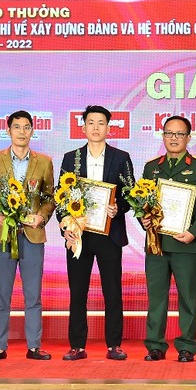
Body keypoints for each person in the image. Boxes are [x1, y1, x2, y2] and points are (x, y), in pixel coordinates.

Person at [0, 110, 55, 361]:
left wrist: (41, 216)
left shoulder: (44, 162)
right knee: (2, 293)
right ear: (8, 130)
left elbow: (50, 198)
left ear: (32, 131)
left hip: (33, 235)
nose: (22, 132)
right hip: (3, 235)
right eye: (17, 127)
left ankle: (34, 346)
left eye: (26, 127)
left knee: (33, 294)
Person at [59, 105, 133, 361]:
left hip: (109, 234)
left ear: (109, 128)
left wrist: (118, 207)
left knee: (112, 291)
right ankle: (77, 345)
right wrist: (65, 228)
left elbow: (130, 193)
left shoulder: (121, 157)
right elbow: (61, 197)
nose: (96, 127)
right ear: (83, 127)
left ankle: (114, 345)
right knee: (78, 291)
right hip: (79, 235)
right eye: (91, 122)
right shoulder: (71, 158)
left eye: (101, 123)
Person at [140, 115, 196, 363]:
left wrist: (194, 232)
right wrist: (144, 219)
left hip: (187, 244)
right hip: (157, 243)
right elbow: (142, 201)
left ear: (188, 138)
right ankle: (155, 345)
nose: (174, 138)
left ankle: (187, 346)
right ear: (163, 136)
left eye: (179, 134)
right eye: (169, 133)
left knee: (187, 298)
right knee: (156, 298)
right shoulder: (152, 167)